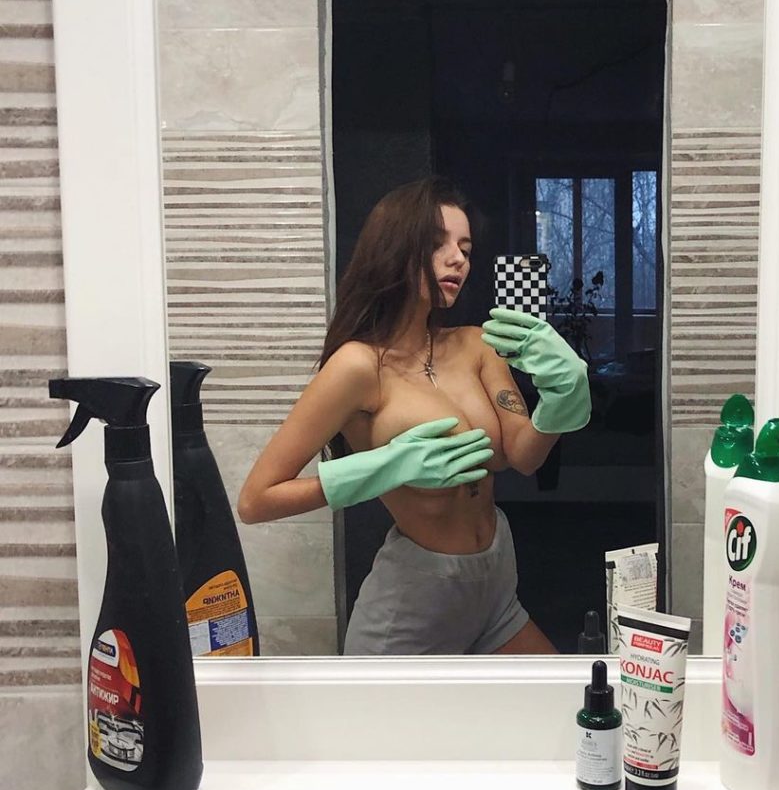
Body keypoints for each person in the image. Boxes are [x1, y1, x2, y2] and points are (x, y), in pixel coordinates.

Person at [237, 177, 591, 654]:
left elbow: (523, 457)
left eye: (466, 248)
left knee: (561, 694)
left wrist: (562, 398)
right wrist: (382, 469)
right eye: (438, 243)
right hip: (413, 607)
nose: (458, 258)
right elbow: (256, 501)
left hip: (494, 589)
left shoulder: (477, 345)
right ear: (396, 249)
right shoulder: (358, 367)